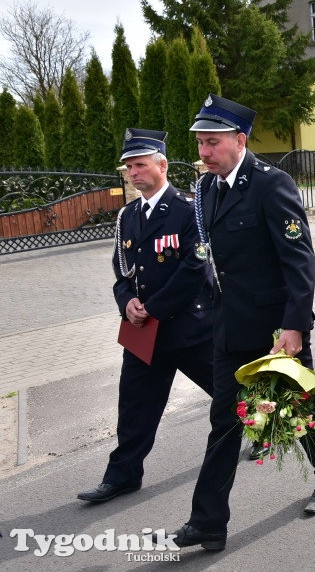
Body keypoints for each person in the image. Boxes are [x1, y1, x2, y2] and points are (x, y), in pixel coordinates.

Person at [167, 94, 315, 551]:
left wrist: (295, 326)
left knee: (298, 411)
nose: (203, 153)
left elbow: (300, 260)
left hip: (275, 331)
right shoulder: (206, 189)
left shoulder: (271, 184)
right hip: (229, 329)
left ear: (239, 139)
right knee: (224, 422)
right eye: (201, 144)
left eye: (211, 143)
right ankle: (207, 521)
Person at [77, 129, 216, 504]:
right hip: (143, 333)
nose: (134, 173)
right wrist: (126, 303)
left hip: (190, 328)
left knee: (228, 391)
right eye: (129, 168)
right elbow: (122, 270)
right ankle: (122, 475)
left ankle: (263, 430)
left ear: (162, 165)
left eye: (140, 165)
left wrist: (151, 307)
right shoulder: (128, 215)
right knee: (134, 405)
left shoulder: (190, 210)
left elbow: (195, 269)